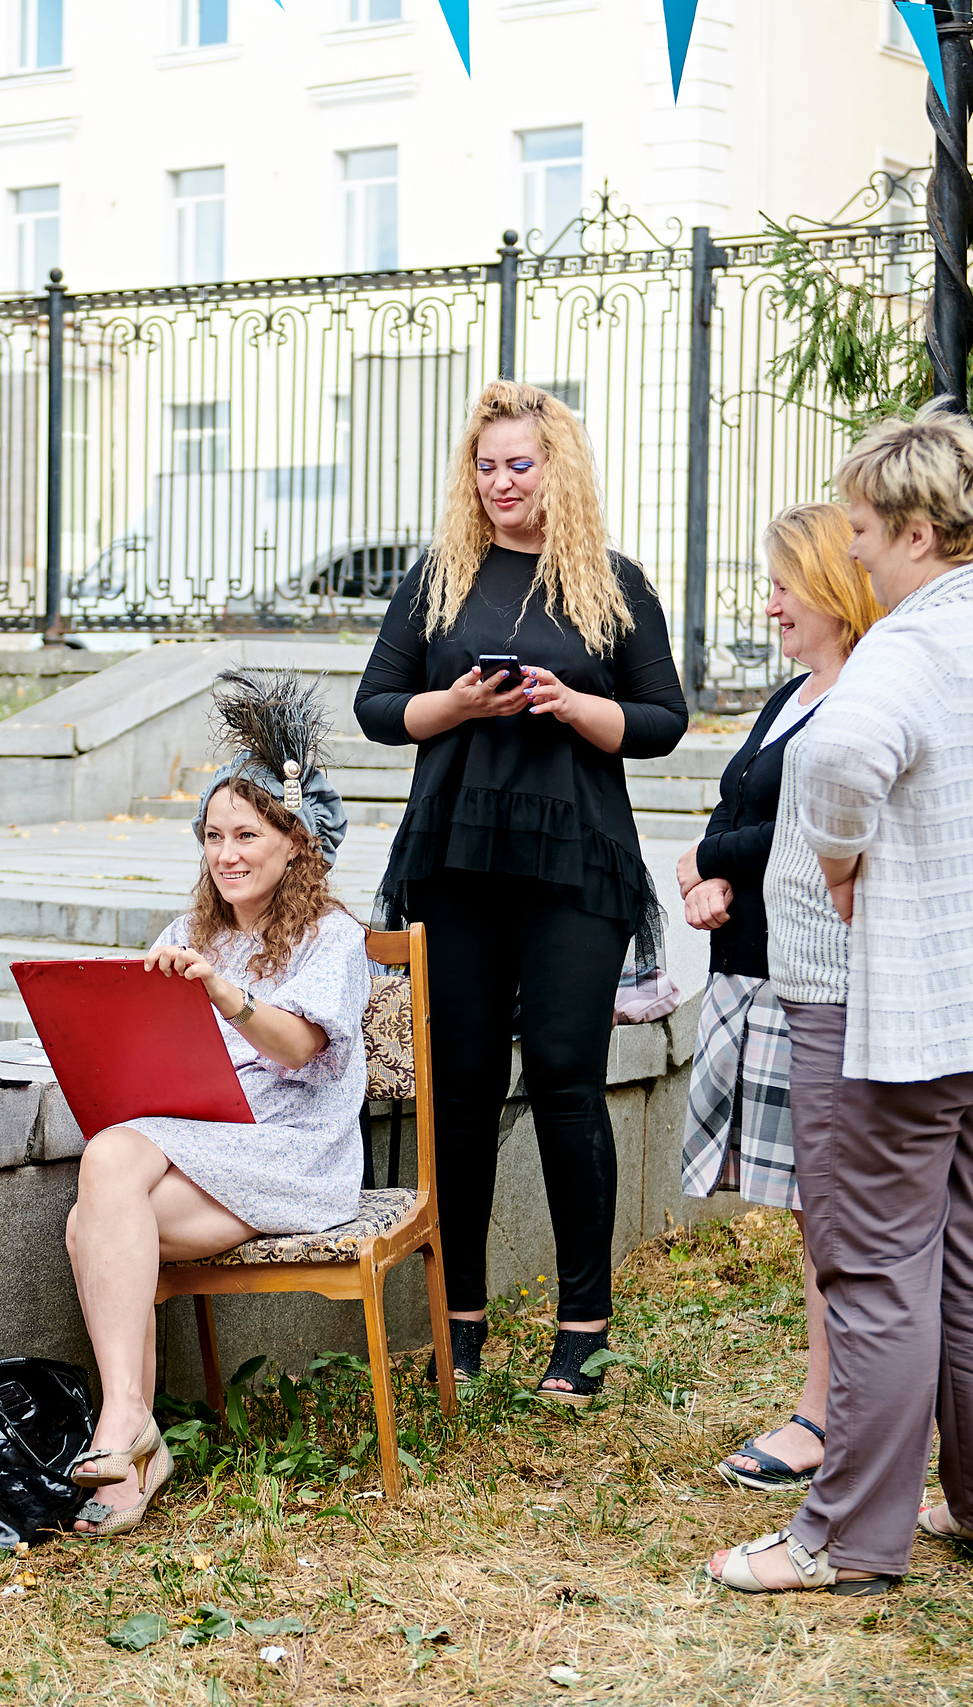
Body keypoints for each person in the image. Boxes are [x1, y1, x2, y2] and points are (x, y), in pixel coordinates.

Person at [707, 404, 973, 1596]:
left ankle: (843, 1540)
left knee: (875, 1268)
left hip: (896, 1010)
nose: (858, 550)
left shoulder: (906, 648)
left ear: (923, 531)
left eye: (869, 528)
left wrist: (837, 853)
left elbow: (836, 764)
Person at [355, 378, 688, 1404]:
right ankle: (460, 1327)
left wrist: (574, 705)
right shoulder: (438, 580)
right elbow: (375, 708)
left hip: (575, 861)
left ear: (560, 469)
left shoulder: (611, 582)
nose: (502, 482)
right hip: (455, 857)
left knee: (562, 1078)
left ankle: (580, 1332)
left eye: (521, 464)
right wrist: (451, 704)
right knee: (452, 1089)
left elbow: (661, 721)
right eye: (487, 465)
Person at [63, 671, 369, 1537]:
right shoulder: (188, 931)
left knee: (100, 1201)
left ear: (297, 843)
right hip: (197, 1136)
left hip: (290, 1150)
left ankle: (128, 1430)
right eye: (211, 836)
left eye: (246, 834)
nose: (225, 853)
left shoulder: (332, 937)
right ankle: (131, 1431)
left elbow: (302, 1047)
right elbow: (142, 1041)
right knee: (101, 1202)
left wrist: (224, 997)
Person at [676, 503, 883, 1492]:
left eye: (781, 587)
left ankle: (829, 1412)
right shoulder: (796, 693)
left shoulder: (864, 696)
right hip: (753, 972)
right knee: (814, 1210)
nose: (768, 607)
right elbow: (740, 802)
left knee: (828, 1208)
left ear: (833, 588)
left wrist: (707, 859)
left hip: (816, 978)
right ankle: (832, 1399)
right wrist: (711, 874)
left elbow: (813, 826)